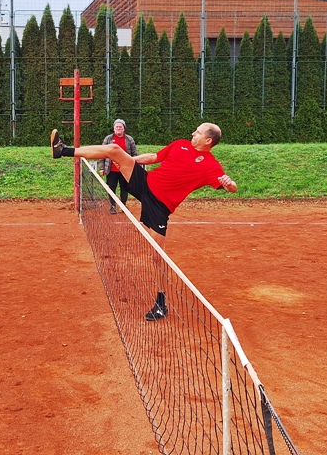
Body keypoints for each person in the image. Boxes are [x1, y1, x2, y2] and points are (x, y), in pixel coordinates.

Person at [50, 123, 237, 321]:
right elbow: (155, 157)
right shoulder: (180, 144)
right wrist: (128, 160)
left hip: (160, 207)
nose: (193, 133)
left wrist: (230, 184)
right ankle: (63, 150)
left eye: (198, 132)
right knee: (114, 150)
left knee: (157, 257)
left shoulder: (211, 165)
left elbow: (231, 188)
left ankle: (161, 304)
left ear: (208, 140)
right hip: (145, 183)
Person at [98, 119, 137, 214]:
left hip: (125, 169)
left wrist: (134, 167)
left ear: (124, 128)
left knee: (125, 188)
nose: (118, 128)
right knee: (111, 188)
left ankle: (123, 205)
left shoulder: (129, 139)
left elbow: (134, 154)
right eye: (117, 126)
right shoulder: (108, 139)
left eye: (120, 127)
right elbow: (102, 153)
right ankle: (113, 206)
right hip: (111, 170)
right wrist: (102, 168)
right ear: (114, 128)